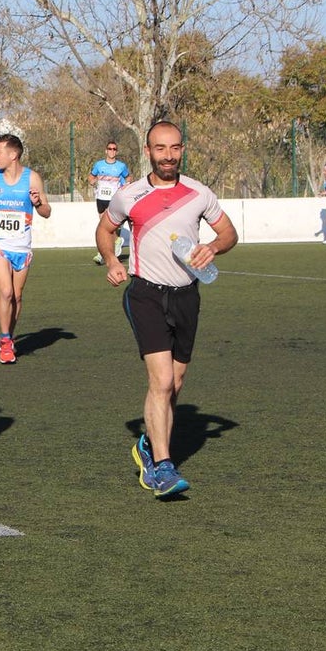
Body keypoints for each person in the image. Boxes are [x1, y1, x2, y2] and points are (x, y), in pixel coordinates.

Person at [95, 121, 238, 497]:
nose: (168, 156)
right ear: (148, 152)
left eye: (175, 148)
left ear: (182, 149)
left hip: (187, 295)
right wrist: (112, 260)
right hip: (145, 293)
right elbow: (105, 229)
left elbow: (229, 234)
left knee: (175, 383)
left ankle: (147, 441)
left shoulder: (198, 193)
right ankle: (162, 467)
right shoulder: (130, 195)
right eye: (160, 148)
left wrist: (214, 247)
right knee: (159, 382)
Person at [0, 133, 51, 365]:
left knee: (17, 295)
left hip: (22, 245)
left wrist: (38, 203)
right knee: (5, 291)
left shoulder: (32, 179)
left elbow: (46, 211)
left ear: (13, 154)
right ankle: (5, 341)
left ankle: (9, 335)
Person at [90, 141, 130, 264]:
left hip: (114, 198)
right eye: (110, 149)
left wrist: (125, 187)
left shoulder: (121, 166)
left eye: (114, 149)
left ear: (116, 151)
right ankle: (111, 246)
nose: (112, 151)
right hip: (101, 198)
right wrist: (93, 182)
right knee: (103, 225)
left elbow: (128, 178)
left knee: (108, 225)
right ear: (106, 150)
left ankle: (104, 251)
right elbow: (91, 177)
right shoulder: (99, 165)